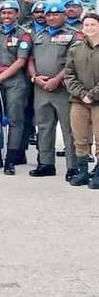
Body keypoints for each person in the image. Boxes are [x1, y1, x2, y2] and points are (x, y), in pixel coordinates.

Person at [0, 0, 32, 175]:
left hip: (15, 82)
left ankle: (10, 161)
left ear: (17, 14)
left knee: (15, 121)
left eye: (10, 13)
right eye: (4, 13)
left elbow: (21, 61)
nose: (6, 16)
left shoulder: (23, 34)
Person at [28, 3, 78, 179]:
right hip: (41, 88)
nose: (52, 18)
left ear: (64, 15)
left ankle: (73, 167)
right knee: (44, 127)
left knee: (69, 129)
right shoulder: (39, 35)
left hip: (63, 89)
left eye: (56, 15)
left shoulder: (73, 35)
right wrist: (35, 77)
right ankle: (46, 163)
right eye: (49, 15)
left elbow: (73, 62)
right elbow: (30, 59)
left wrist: (57, 79)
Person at [63, 13, 99, 188]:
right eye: (87, 25)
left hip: (97, 101)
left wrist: (92, 95)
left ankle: (98, 173)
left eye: (93, 25)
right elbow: (69, 74)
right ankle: (83, 172)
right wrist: (81, 93)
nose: (90, 28)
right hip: (78, 100)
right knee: (79, 137)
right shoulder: (75, 48)